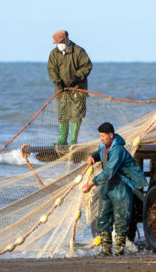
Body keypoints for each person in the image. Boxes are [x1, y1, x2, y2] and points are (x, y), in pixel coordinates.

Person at [81, 122, 148, 256]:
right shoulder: (103, 146)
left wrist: (91, 184)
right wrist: (93, 156)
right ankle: (106, 250)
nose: (101, 139)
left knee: (121, 219)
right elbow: (100, 153)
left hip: (121, 187)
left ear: (111, 135)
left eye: (103, 136)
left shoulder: (118, 150)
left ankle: (119, 251)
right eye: (100, 136)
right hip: (107, 187)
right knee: (102, 217)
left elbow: (109, 171)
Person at [47, 30, 93, 146]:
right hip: (61, 91)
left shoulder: (78, 51)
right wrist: (57, 82)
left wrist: (77, 77)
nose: (59, 45)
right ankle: (62, 140)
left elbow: (87, 66)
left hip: (78, 89)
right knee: (63, 115)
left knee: (76, 115)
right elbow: (51, 69)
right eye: (57, 43)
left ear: (67, 39)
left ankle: (73, 140)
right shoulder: (54, 54)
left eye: (61, 42)